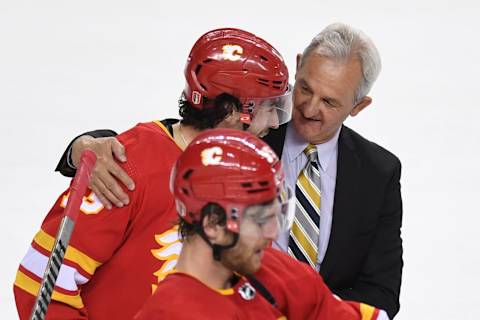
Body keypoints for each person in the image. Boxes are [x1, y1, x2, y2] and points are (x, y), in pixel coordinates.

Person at [54, 23, 403, 318]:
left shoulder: (378, 173)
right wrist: (83, 148)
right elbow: (182, 133)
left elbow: (378, 292)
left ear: (358, 105)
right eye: (306, 89)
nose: (306, 109)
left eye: (329, 101)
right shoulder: (224, 145)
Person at [13, 28, 293, 319]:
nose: (275, 121)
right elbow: (38, 282)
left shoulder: (250, 176)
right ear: (233, 110)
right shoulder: (126, 167)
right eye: (269, 107)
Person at [134, 127, 388, 320]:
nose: (273, 233)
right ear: (213, 224)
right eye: (259, 219)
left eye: (276, 215)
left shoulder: (276, 269)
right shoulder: (169, 313)